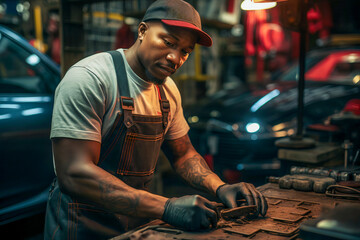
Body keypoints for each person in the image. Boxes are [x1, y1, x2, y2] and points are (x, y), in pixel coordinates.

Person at [44, 0, 268, 239]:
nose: (175, 58)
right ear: (142, 31)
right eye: (168, 42)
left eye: (185, 51)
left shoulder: (168, 91)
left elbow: (183, 155)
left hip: (137, 228)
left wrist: (219, 186)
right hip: (82, 227)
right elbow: (74, 173)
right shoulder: (90, 79)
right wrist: (166, 207)